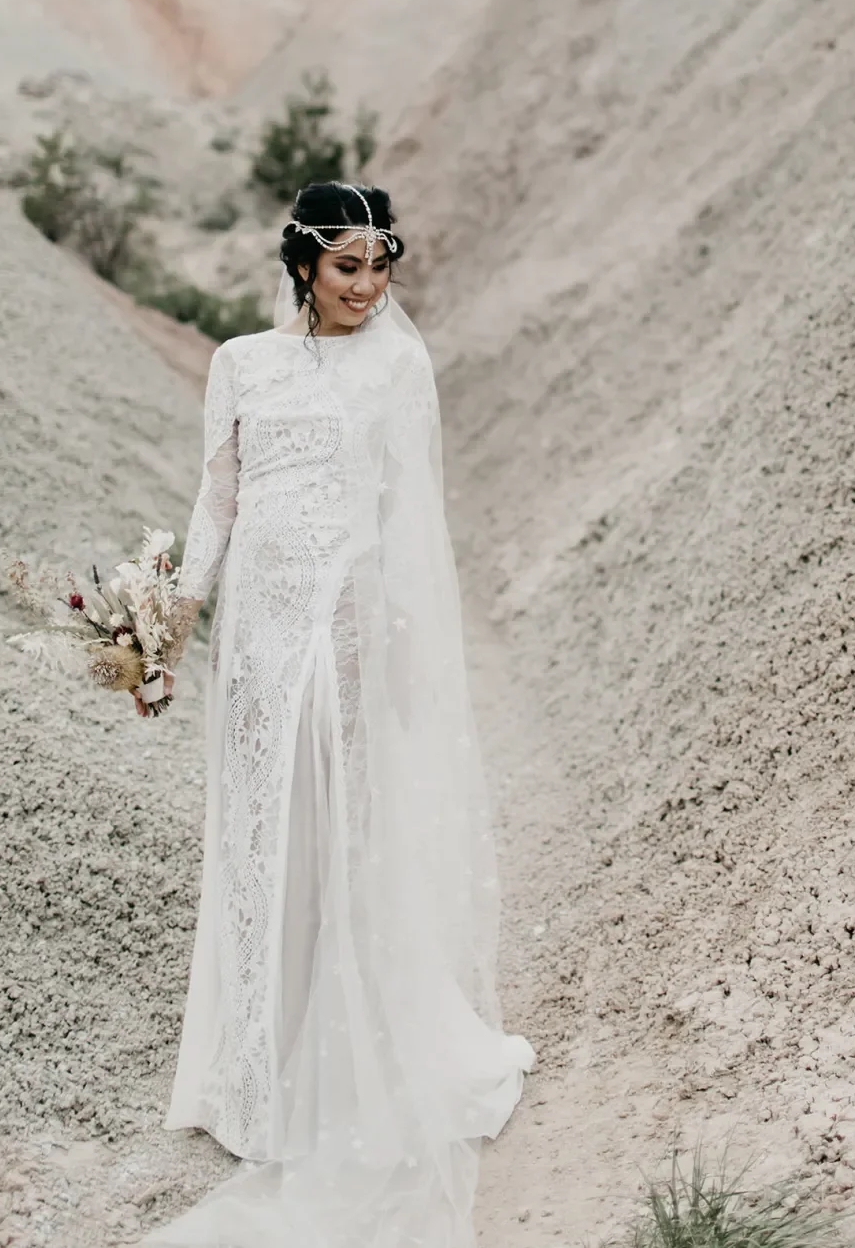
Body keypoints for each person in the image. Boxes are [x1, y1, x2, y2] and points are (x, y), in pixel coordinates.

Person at [137, 182, 534, 1247]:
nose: (369, 287)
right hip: (253, 639)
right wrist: (171, 619)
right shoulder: (240, 363)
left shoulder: (400, 365)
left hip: (343, 627)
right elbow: (217, 498)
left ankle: (333, 1063)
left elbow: (407, 514)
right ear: (304, 263)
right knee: (256, 836)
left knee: (336, 834)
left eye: (381, 266)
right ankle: (249, 1074)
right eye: (348, 265)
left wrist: (396, 643)